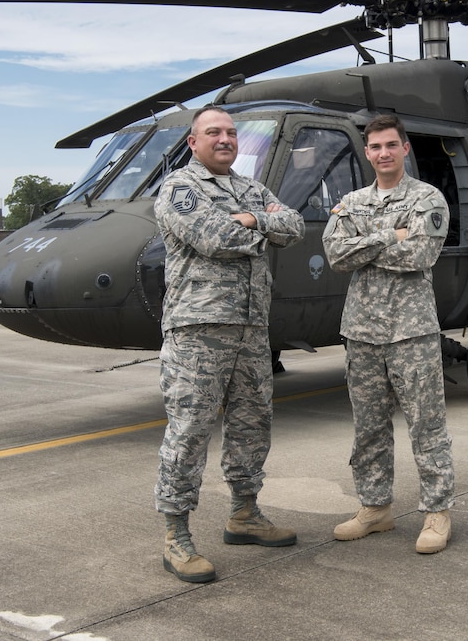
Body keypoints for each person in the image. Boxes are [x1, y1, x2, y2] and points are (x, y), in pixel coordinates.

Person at [154, 105, 305, 583]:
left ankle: (244, 514)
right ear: (192, 143)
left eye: (231, 133)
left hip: (251, 330)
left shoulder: (249, 188)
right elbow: (214, 238)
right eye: (213, 132)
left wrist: (248, 218)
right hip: (198, 332)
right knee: (190, 430)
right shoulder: (180, 187)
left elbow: (296, 227)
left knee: (252, 423)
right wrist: (263, 224)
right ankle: (176, 535)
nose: (225, 139)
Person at [322, 114, 455, 554]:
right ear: (367, 152)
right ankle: (375, 507)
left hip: (410, 331)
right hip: (361, 332)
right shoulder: (353, 200)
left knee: (426, 425)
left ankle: (436, 510)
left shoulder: (428, 198)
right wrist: (391, 234)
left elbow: (421, 253)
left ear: (405, 148)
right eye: (375, 146)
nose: (383, 153)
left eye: (391, 145)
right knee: (369, 428)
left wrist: (366, 242)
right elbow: (335, 253)